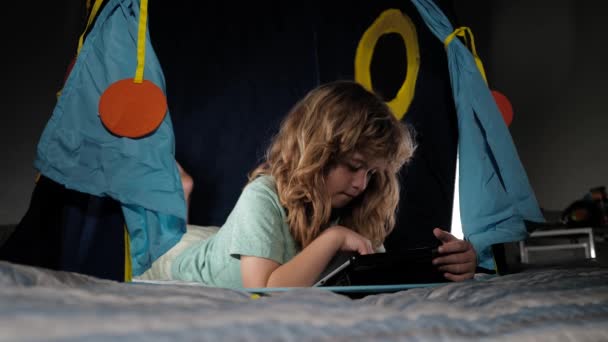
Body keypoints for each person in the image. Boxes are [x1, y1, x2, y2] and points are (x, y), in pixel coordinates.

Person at [153, 80, 476, 288]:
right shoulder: (262, 195)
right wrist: (333, 238)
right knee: (163, 242)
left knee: (227, 236)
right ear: (318, 153)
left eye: (372, 173)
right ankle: (182, 188)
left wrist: (450, 268)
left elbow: (374, 280)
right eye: (354, 167)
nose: (361, 184)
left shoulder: (354, 205)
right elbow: (264, 291)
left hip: (234, 243)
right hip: (185, 257)